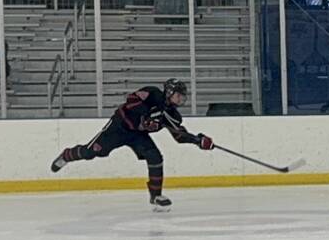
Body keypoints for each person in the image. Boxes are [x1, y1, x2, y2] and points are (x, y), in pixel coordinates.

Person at [50, 78, 214, 211]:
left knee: (155, 157)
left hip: (137, 135)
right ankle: (66, 155)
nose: (181, 99)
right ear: (169, 92)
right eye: (179, 95)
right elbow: (131, 99)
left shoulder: (172, 115)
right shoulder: (152, 93)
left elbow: (179, 135)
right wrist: (145, 115)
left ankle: (155, 195)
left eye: (182, 96)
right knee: (91, 152)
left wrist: (198, 140)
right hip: (119, 126)